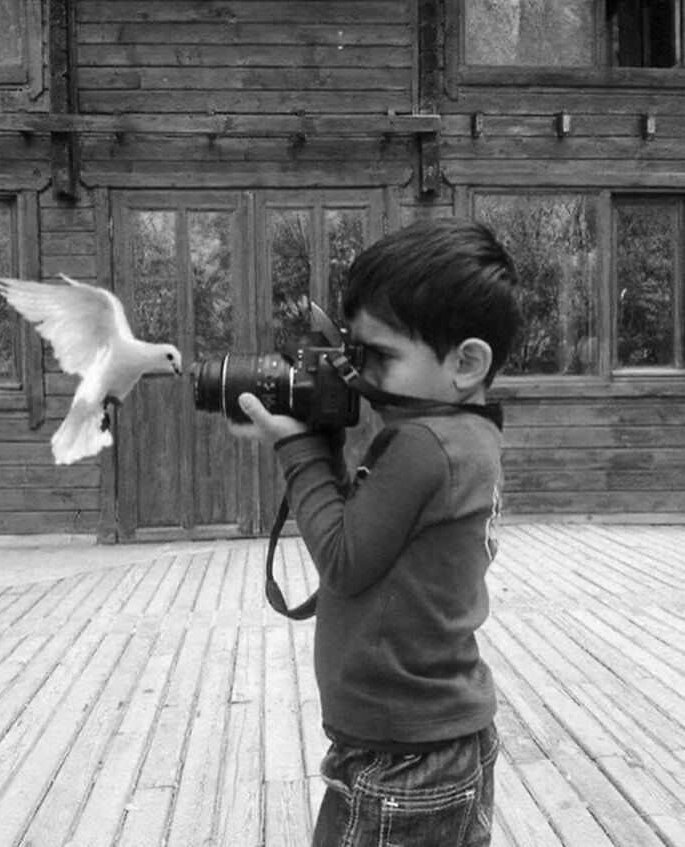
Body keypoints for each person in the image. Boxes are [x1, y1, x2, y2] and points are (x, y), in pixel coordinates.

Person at [231, 219, 522, 846]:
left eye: (378, 357)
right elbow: (375, 541)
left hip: (403, 763)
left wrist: (299, 448)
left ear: (466, 362)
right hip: (445, 741)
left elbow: (343, 558)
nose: (357, 375)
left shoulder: (420, 444)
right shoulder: (471, 436)